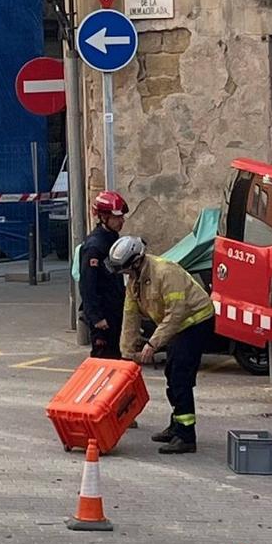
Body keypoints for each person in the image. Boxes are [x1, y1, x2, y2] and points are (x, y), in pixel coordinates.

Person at [106, 233, 215, 454]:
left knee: (180, 378)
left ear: (136, 261)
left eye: (125, 268)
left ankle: (186, 436)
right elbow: (130, 315)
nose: (123, 274)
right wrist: (126, 353)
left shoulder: (166, 273)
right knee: (172, 374)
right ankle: (176, 426)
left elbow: (176, 315)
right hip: (176, 327)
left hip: (195, 323)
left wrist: (152, 344)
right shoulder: (135, 280)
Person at [77, 190, 129, 357]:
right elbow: (87, 285)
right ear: (104, 217)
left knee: (114, 356)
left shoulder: (112, 238)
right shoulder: (95, 246)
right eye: (117, 217)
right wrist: (96, 317)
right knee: (103, 358)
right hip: (102, 315)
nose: (121, 221)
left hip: (114, 308)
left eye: (121, 217)